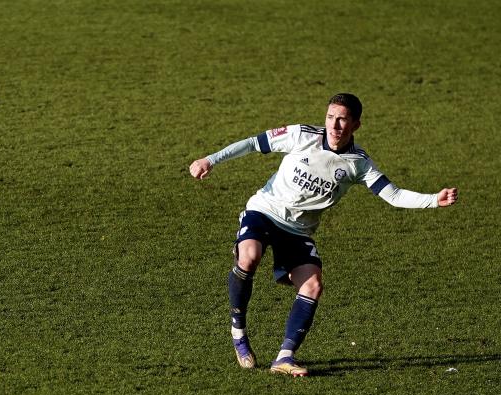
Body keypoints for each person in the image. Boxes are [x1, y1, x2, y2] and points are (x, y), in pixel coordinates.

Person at [189, 93, 458, 376]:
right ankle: (239, 332)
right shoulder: (301, 135)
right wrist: (211, 159)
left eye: (342, 119)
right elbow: (254, 144)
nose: (334, 125)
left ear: (356, 125)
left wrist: (433, 199)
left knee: (313, 286)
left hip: (297, 231)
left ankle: (284, 358)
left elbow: (393, 195)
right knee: (249, 257)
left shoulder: (358, 163)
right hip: (265, 211)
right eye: (331, 117)